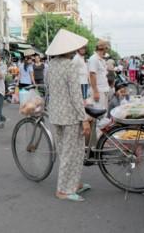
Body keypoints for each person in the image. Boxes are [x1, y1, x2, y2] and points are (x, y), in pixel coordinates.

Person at [46, 29, 92, 202]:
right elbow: (75, 95)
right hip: (71, 117)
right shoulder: (70, 66)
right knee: (72, 153)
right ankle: (63, 190)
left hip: (56, 114)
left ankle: (73, 183)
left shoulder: (51, 65)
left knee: (64, 151)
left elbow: (49, 89)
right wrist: (84, 118)